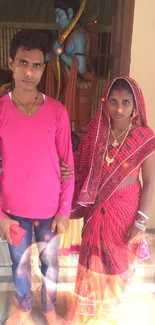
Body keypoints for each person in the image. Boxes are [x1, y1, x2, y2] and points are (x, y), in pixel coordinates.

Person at [61, 76, 155, 324]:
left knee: (118, 262)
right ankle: (88, 314)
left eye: (126, 102)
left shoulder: (143, 137)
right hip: (97, 210)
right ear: (105, 102)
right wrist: (67, 174)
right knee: (91, 259)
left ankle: (110, 315)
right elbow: (80, 165)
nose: (120, 108)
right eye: (113, 101)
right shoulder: (96, 130)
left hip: (125, 211)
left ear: (136, 105)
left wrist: (141, 221)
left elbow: (150, 183)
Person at [0, 29, 74, 325]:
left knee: (49, 262)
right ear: (10, 63)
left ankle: (50, 307)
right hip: (13, 213)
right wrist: (1, 218)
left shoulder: (57, 112)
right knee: (19, 262)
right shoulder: (1, 112)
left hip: (50, 212)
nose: (29, 72)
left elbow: (68, 166)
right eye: (22, 63)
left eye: (36, 65)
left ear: (44, 68)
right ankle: (22, 305)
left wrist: (64, 211)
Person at [46, 0, 97, 132]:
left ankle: (80, 149)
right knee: (63, 118)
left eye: (59, 15)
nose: (57, 21)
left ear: (69, 13)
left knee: (80, 125)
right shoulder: (65, 34)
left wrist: (60, 53)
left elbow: (81, 68)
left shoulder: (78, 36)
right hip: (68, 82)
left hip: (81, 85)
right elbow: (55, 57)